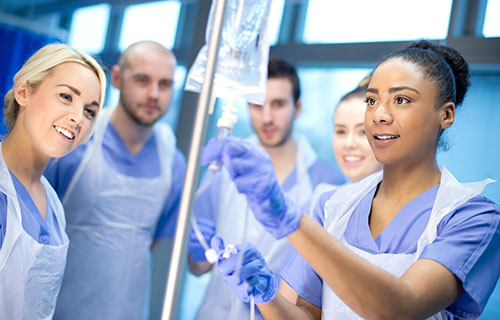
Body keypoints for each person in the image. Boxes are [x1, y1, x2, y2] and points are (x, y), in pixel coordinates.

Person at [202, 40, 500, 319]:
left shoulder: (472, 217)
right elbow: (305, 314)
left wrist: (289, 220)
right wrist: (265, 291)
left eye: (401, 99)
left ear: (446, 115)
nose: (380, 114)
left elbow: (401, 307)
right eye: (372, 101)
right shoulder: (333, 206)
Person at [188, 58, 346, 319]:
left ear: (297, 108)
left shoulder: (325, 181)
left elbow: (322, 285)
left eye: (279, 104)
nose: (268, 117)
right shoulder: (225, 166)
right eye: (257, 105)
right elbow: (198, 267)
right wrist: (197, 252)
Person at [45, 40, 186, 320]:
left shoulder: (174, 163)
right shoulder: (74, 144)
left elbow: (148, 242)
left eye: (165, 84)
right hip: (58, 309)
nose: (154, 94)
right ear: (118, 79)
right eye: (142, 81)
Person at [0, 43, 106, 319]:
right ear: (24, 92)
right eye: (66, 96)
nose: (77, 118)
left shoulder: (53, 205)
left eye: (90, 111)